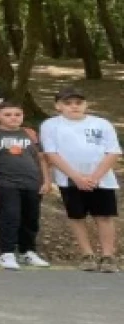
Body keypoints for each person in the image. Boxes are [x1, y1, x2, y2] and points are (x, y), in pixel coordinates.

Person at [40, 87, 121, 273]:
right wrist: (76, 177)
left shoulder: (101, 124)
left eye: (78, 103)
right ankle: (87, 254)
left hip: (101, 179)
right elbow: (51, 154)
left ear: (85, 104)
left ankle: (108, 256)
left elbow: (113, 152)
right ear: (58, 106)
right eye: (68, 103)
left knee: (104, 216)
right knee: (77, 216)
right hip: (70, 179)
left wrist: (94, 177)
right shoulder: (50, 125)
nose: (74, 107)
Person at [0, 102, 52, 270]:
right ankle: (6, 252)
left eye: (17, 114)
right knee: (10, 217)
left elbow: (41, 159)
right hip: (5, 182)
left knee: (31, 218)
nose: (13, 118)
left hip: (32, 182)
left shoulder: (29, 133)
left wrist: (46, 180)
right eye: (8, 115)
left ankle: (27, 251)